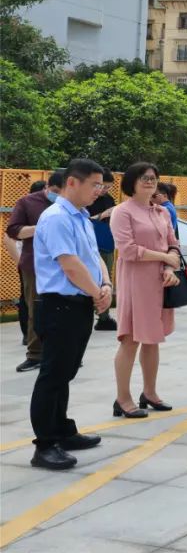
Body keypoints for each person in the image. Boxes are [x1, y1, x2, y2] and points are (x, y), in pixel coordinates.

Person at [28, 159, 111, 470]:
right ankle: (45, 445)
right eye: (94, 185)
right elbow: (70, 264)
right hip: (59, 305)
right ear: (72, 183)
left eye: (100, 185)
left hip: (79, 304)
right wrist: (95, 292)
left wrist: (105, 284)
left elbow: (93, 257)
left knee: (66, 371)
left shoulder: (82, 218)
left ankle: (62, 429)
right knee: (52, 375)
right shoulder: (57, 218)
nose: (98, 191)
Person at [110, 163, 182, 418]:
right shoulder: (122, 212)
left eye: (153, 178)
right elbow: (128, 250)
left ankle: (149, 393)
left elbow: (173, 244)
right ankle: (123, 398)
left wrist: (169, 267)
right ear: (131, 182)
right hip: (135, 281)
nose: (150, 182)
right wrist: (163, 256)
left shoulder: (162, 212)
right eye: (144, 178)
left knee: (153, 339)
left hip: (161, 281)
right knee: (131, 340)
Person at [7, 171, 64, 372]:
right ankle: (35, 354)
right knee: (35, 309)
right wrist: (39, 227)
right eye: (55, 191)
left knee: (62, 311)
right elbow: (13, 231)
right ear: (47, 187)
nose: (59, 196)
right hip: (35, 265)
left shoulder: (71, 205)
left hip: (64, 265)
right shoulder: (27, 202)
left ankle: (60, 352)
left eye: (63, 192)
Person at [87, 171, 119, 330]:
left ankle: (104, 317)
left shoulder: (109, 199)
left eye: (108, 187)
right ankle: (95, 313)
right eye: (103, 187)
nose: (105, 190)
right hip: (91, 244)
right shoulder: (87, 199)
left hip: (107, 242)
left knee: (106, 279)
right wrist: (102, 215)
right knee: (92, 278)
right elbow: (83, 220)